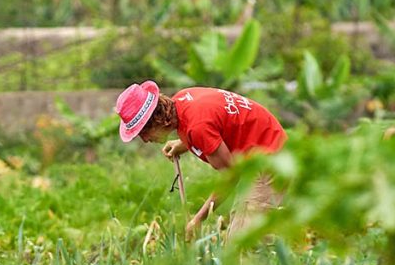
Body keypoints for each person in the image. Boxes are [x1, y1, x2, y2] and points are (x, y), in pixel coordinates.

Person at [115, 80, 287, 238]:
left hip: (270, 160)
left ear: (156, 120)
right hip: (263, 149)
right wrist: (183, 144)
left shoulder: (198, 128)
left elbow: (231, 177)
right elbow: (215, 125)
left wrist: (198, 219)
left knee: (243, 246)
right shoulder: (182, 100)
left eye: (143, 133)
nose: (145, 140)